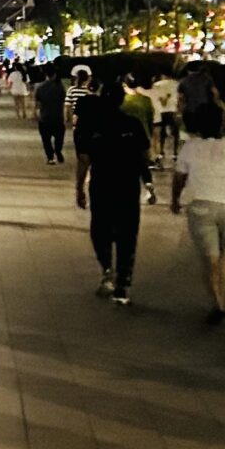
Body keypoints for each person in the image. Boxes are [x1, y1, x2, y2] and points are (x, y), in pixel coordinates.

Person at [173, 102, 225, 324]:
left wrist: (176, 200)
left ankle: (217, 302)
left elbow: (179, 177)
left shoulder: (190, 147)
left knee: (210, 260)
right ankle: (222, 301)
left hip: (200, 206)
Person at [86, 79, 152, 305]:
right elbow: (144, 156)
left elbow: (84, 158)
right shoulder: (132, 124)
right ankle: (122, 285)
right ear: (122, 99)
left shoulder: (93, 123)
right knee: (127, 235)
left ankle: (107, 270)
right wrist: (149, 183)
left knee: (100, 230)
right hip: (128, 186)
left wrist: (78, 187)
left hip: (101, 185)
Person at [120, 71, 159, 204]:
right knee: (143, 166)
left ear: (125, 84)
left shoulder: (123, 101)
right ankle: (148, 187)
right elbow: (150, 120)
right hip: (143, 137)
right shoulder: (146, 100)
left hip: (125, 139)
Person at [69, 67, 99, 208]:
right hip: (97, 135)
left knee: (82, 162)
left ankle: (79, 189)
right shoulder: (102, 102)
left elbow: (75, 118)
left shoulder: (82, 101)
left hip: (81, 134)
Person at [34, 65, 68, 164]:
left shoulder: (40, 87)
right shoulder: (60, 86)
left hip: (45, 117)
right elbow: (63, 100)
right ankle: (58, 150)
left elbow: (37, 103)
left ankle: (50, 157)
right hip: (58, 117)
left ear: (45, 74)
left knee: (46, 140)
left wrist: (36, 114)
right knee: (59, 138)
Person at [149, 69, 180, 167]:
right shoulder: (177, 84)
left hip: (161, 111)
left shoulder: (157, 85)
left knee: (161, 133)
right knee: (175, 132)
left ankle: (161, 152)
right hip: (173, 110)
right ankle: (175, 153)